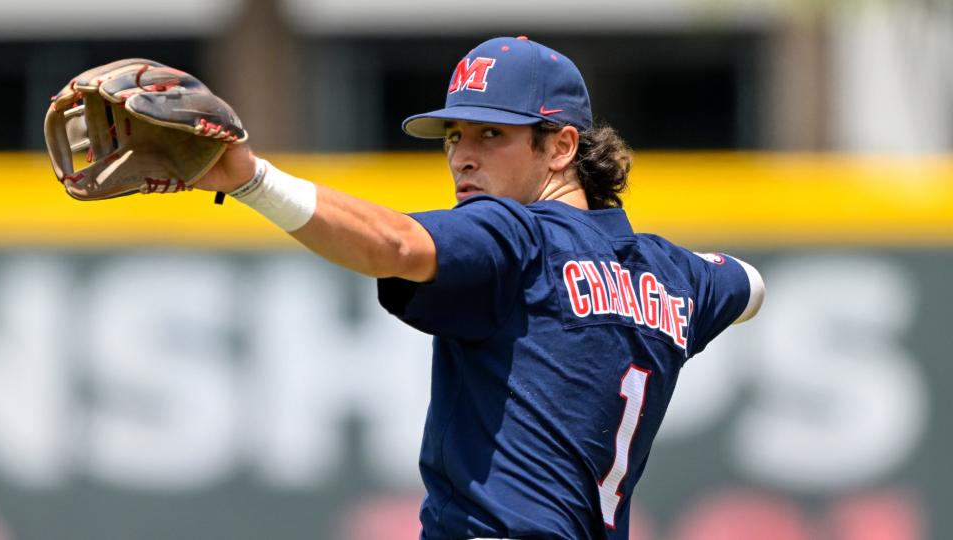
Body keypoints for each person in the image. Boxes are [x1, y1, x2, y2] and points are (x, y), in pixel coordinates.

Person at [196, 36, 765, 540]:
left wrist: (254, 180)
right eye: (453, 136)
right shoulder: (673, 273)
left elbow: (394, 245)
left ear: (562, 147)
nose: (463, 157)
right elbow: (749, 284)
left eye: (491, 134)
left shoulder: (513, 233)